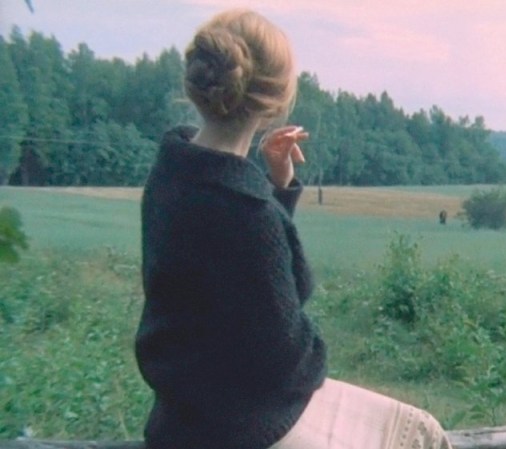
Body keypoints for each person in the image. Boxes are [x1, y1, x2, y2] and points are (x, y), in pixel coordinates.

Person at [134, 8, 452, 449]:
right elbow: (287, 356)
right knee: (423, 435)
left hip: (183, 411)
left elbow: (229, 275)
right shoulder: (247, 212)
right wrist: (319, 354)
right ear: (276, 102)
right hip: (242, 425)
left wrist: (275, 187)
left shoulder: (173, 173)